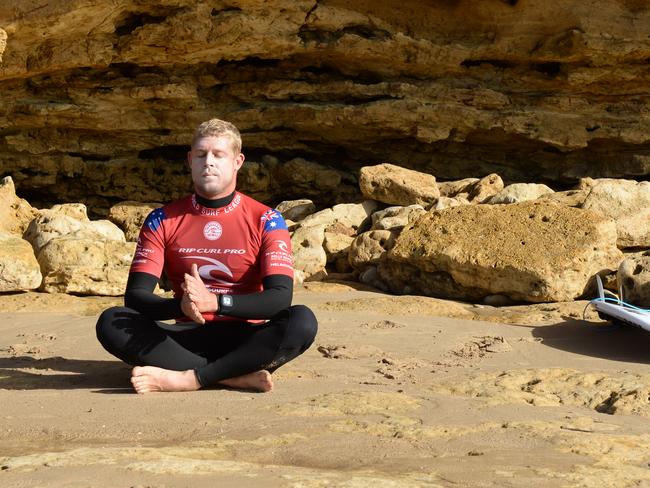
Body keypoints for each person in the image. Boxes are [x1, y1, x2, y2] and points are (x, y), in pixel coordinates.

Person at [96, 118, 318, 394]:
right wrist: (181, 307)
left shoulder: (267, 219)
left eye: (218, 155)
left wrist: (214, 302)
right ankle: (230, 376)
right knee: (112, 321)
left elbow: (279, 298)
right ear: (190, 160)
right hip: (187, 336)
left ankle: (189, 379)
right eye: (201, 155)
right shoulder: (161, 219)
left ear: (238, 161)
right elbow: (136, 297)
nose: (208, 162)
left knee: (302, 320)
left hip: (247, 339)